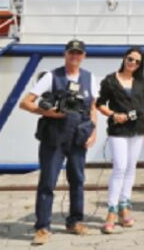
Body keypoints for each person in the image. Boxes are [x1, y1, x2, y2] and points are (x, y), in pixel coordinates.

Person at [19, 40, 98, 245]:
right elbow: (25, 102)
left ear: (84, 56)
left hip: (78, 137)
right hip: (54, 137)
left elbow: (93, 108)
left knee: (78, 181)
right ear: (65, 54)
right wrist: (47, 112)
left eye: (78, 53)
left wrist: (93, 132)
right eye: (71, 52)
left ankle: (75, 221)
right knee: (48, 182)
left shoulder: (90, 78)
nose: (75, 56)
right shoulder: (51, 77)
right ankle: (43, 227)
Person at [96, 47, 144, 233]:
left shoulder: (141, 82)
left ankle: (124, 205)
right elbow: (100, 104)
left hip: (138, 129)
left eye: (137, 61)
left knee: (130, 168)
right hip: (118, 130)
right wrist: (113, 114)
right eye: (130, 59)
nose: (133, 63)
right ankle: (111, 210)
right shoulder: (110, 80)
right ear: (124, 58)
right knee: (119, 167)